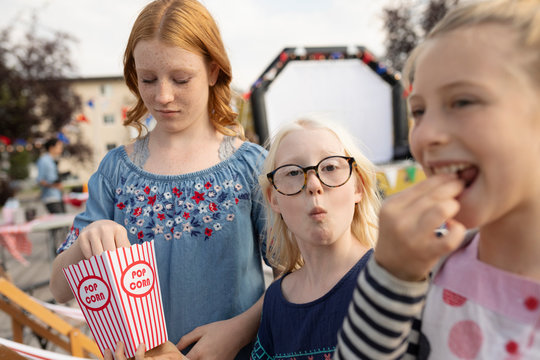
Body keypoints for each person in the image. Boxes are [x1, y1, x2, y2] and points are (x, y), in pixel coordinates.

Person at [49, 1, 269, 359]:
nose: (162, 96)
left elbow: (297, 274)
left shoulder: (252, 167)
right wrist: (84, 243)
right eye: (147, 79)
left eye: (181, 79)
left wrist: (240, 328)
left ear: (214, 70)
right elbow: (59, 288)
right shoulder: (115, 171)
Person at [334, 0, 540, 359]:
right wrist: (391, 276)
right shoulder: (423, 271)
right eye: (418, 111)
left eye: (462, 102)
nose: (425, 135)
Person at [250, 118, 380, 360]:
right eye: (293, 172)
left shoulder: (392, 281)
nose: (313, 184)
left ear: (358, 186)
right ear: (274, 198)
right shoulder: (275, 302)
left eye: (330, 167)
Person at [36, 138, 65, 214]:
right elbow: (40, 180)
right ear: (51, 148)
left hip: (58, 196)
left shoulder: (53, 160)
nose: (61, 150)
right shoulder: (43, 160)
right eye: (59, 147)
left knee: (64, 222)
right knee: (60, 224)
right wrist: (54, 185)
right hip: (50, 198)